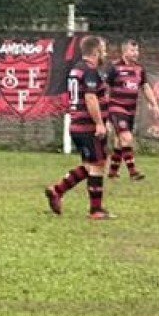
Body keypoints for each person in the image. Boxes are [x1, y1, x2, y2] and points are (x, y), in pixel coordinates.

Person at [44, 35, 112, 220]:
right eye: (104, 49)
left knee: (89, 165)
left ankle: (58, 190)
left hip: (76, 125)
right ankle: (96, 210)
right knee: (98, 165)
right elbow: (90, 98)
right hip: (87, 126)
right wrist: (99, 123)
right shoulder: (90, 71)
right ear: (96, 51)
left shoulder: (76, 70)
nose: (105, 53)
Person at [104, 39, 149, 184]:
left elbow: (145, 87)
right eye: (132, 50)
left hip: (131, 110)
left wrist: (154, 104)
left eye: (137, 50)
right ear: (124, 51)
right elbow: (104, 88)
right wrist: (104, 109)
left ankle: (112, 172)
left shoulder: (140, 69)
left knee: (120, 142)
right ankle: (133, 171)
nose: (136, 53)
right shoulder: (114, 67)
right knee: (127, 138)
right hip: (116, 108)